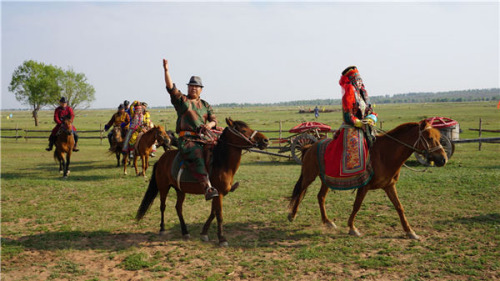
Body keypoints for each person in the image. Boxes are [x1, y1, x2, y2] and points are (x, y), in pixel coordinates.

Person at [163, 59, 219, 200]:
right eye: (191, 86)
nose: (193, 88)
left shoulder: (206, 105)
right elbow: (171, 89)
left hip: (204, 137)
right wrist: (166, 71)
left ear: (201, 89)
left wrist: (210, 126)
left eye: (197, 86)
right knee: (197, 153)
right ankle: (207, 187)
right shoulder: (183, 101)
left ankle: (222, 181)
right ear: (188, 88)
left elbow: (214, 121)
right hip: (187, 140)